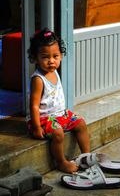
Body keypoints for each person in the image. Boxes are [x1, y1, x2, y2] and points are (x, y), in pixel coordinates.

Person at [27, 27, 90, 173]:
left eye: (55, 56)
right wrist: (36, 127)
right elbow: (34, 105)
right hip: (43, 119)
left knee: (80, 123)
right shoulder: (38, 79)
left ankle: (86, 156)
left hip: (60, 115)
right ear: (35, 58)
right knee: (58, 133)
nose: (51, 61)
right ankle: (61, 162)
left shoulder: (54, 71)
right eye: (45, 57)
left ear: (61, 55)